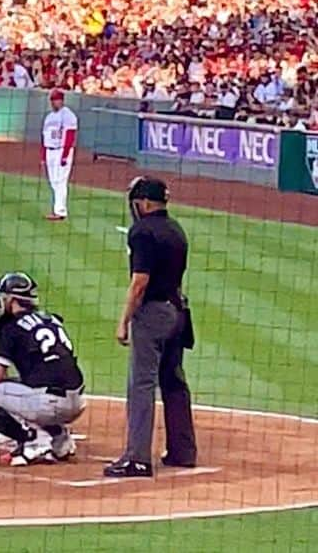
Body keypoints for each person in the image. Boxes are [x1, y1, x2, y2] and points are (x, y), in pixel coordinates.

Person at [104, 176, 197, 477]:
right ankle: (183, 451)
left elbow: (139, 283)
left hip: (154, 314)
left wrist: (123, 321)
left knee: (141, 384)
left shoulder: (142, 231)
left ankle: (137, 458)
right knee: (173, 382)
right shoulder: (176, 230)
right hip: (178, 313)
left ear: (143, 202)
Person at [0, 271, 86, 466]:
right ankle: (59, 438)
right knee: (27, 386)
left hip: (50, 404)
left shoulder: (11, 327)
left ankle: (33, 441)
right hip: (78, 402)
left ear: (11, 300)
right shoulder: (51, 319)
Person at [42, 88, 78, 220]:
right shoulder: (49, 116)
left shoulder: (68, 115)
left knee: (60, 181)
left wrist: (65, 154)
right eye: (52, 100)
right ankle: (57, 209)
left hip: (61, 150)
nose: (53, 103)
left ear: (61, 101)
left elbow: (70, 135)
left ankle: (60, 211)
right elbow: (44, 136)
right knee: (53, 182)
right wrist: (43, 155)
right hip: (50, 151)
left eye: (56, 100)